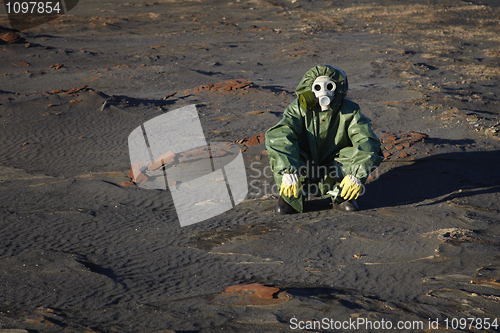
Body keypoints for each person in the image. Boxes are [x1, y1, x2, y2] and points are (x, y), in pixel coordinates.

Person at [265, 64, 383, 214]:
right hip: (303, 164)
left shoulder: (350, 111)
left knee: (358, 153)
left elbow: (366, 141)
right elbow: (279, 136)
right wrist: (287, 171)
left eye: (329, 86)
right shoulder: (297, 109)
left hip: (335, 165)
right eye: (318, 87)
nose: (324, 92)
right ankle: (291, 196)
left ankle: (342, 195)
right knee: (284, 152)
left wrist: (356, 174)